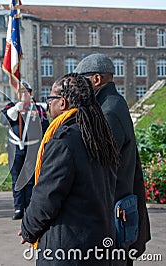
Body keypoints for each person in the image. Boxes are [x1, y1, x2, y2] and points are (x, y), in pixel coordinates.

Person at [20, 73, 120, 265]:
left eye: (51, 99)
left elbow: (46, 197)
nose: (48, 105)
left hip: (68, 248)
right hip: (99, 241)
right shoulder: (100, 136)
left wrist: (28, 229)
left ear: (63, 103)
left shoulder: (64, 142)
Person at [74, 53, 151, 263]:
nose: (77, 87)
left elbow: (101, 164)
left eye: (81, 81)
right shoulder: (112, 103)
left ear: (96, 80)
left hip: (114, 209)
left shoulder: (108, 110)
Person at [1, 79, 48, 220]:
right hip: (15, 147)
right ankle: (18, 208)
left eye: (26, 92)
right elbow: (3, 122)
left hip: (32, 148)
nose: (23, 94)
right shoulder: (11, 106)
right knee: (16, 178)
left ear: (30, 93)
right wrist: (15, 110)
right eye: (21, 92)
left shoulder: (38, 109)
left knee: (30, 179)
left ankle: (29, 207)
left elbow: (45, 127)